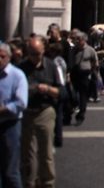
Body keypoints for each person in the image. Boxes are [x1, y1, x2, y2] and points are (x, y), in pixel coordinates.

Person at [20, 36, 60, 188]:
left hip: (45, 111)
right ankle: (29, 182)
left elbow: (62, 91)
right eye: (32, 53)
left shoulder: (51, 66)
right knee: (27, 154)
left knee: (46, 153)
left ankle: (47, 183)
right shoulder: (21, 68)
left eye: (38, 53)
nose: (35, 57)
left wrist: (49, 89)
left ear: (43, 51)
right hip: (26, 112)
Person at [1, 41, 28, 188]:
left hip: (10, 125)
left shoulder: (17, 75)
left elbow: (21, 102)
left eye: (2, 56)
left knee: (10, 170)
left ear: (9, 57)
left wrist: (3, 109)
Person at [69, 30, 97, 126]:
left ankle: (81, 116)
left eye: (79, 39)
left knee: (83, 96)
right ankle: (71, 110)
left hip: (85, 74)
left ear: (84, 40)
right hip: (74, 73)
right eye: (76, 39)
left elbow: (95, 62)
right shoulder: (73, 49)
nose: (77, 41)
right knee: (72, 94)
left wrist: (91, 72)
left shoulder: (90, 50)